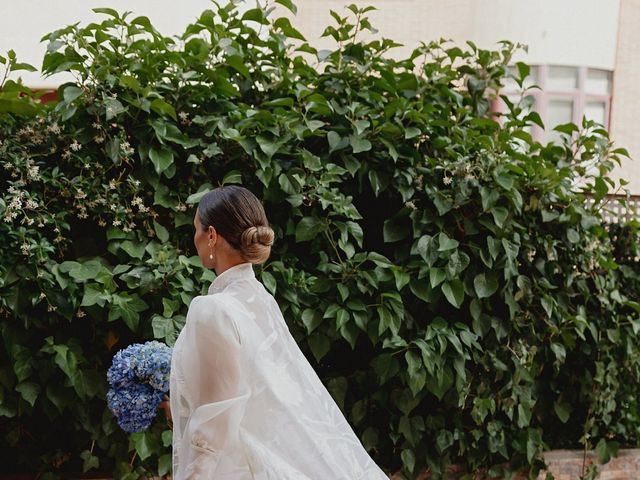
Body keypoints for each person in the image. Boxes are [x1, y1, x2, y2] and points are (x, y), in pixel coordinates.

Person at [167, 185, 389, 479]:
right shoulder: (260, 299)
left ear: (211, 236)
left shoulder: (212, 310)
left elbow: (215, 421)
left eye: (195, 228)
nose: (193, 238)